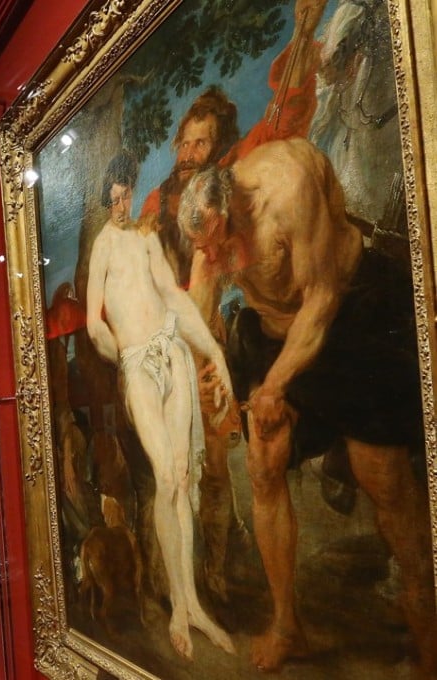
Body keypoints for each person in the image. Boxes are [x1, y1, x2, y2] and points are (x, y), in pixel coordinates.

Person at [178, 138, 436, 674]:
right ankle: (287, 625)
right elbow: (200, 302)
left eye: (218, 244)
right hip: (272, 331)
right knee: (263, 463)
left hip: (349, 312)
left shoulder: (289, 185)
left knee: (381, 472)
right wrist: (203, 367)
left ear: (239, 210)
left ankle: (426, 614)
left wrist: (273, 386)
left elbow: (320, 300)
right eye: (204, 250)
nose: (212, 259)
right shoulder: (209, 234)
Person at [132, 0, 328, 602]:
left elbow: (285, 116)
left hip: (211, 336)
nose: (190, 152)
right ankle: (171, 573)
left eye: (203, 142)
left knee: (215, 465)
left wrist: (301, 32)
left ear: (220, 146)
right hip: (166, 343)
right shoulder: (153, 209)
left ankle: (215, 573)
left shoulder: (238, 177)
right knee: (168, 467)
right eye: (185, 142)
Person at [85, 151, 236, 659]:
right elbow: (92, 324)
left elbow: (173, 296)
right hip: (138, 366)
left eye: (126, 193)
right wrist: (125, 357)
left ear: (131, 189)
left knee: (181, 477)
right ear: (106, 196)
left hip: (171, 352)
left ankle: (191, 604)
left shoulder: (146, 237)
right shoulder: (104, 247)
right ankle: (177, 608)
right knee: (166, 480)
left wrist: (212, 350)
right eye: (114, 197)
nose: (122, 203)